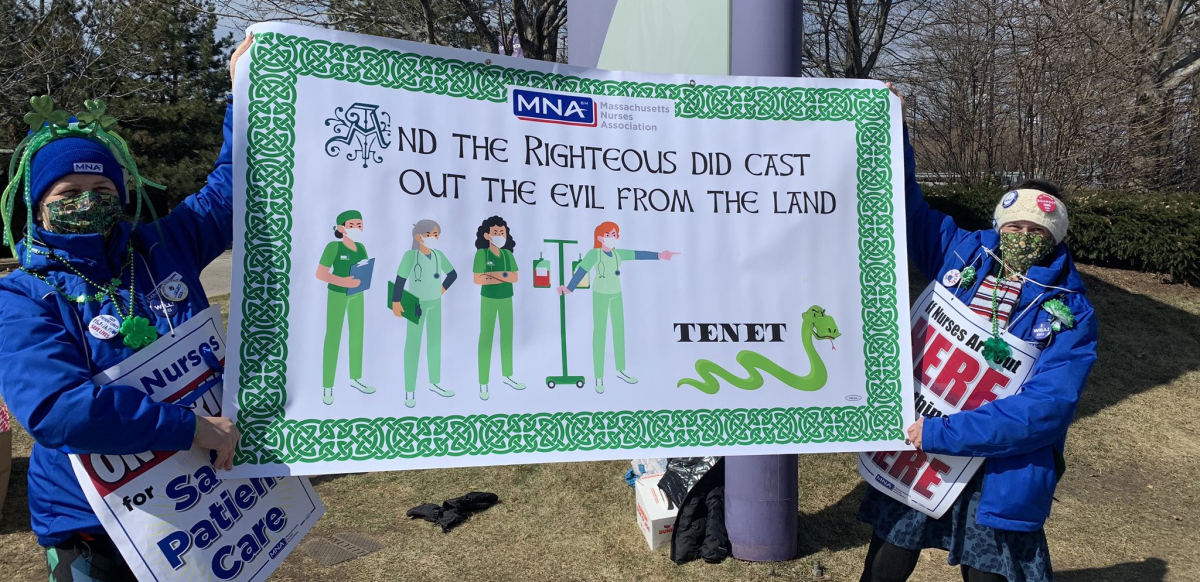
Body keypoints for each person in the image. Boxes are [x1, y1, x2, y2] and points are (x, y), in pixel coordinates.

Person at [0, 36, 254, 581]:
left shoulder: (162, 244)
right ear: (37, 206)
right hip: (98, 526)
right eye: (68, 192)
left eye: (101, 186)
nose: (88, 200)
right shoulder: (22, 295)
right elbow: (56, 410)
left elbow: (232, 190)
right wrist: (188, 428)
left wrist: (243, 92)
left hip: (205, 503)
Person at [856, 85, 1099, 582]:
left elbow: (1046, 410)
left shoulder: (1074, 313)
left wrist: (944, 433)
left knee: (987, 575)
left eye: (1038, 233)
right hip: (923, 449)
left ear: (1056, 239)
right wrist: (891, 126)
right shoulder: (962, 251)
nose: (1023, 238)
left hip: (995, 468)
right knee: (887, 559)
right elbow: (902, 206)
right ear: (998, 224)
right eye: (1015, 227)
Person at [558, 221, 678, 393]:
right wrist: (569, 288)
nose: (613, 237)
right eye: (609, 235)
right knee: (600, 333)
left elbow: (638, 254)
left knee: (618, 331)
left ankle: (621, 370)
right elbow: (581, 271)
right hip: (600, 296)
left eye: (615, 234)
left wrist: (660, 255)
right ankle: (599, 377)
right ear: (600, 237)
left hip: (616, 295)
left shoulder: (617, 254)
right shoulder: (594, 254)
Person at [392, 219, 458, 408]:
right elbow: (400, 280)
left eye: (436, 235)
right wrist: (396, 302)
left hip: (435, 304)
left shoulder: (439, 255)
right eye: (429, 235)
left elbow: (452, 274)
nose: (433, 238)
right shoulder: (410, 256)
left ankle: (435, 383)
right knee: (413, 345)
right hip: (415, 304)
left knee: (434, 343)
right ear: (418, 236)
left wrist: (441, 290)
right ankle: (410, 390)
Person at [316, 210, 377, 405]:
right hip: (337, 294)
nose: (357, 228)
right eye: (352, 225)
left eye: (359, 224)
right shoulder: (333, 247)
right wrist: (343, 282)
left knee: (357, 334)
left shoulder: (361, 247)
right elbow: (321, 273)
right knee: (334, 336)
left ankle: (356, 378)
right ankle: (327, 386)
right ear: (341, 228)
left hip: (357, 295)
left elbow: (364, 268)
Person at [473, 216, 525, 400]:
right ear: (487, 235)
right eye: (496, 232)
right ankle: (483, 383)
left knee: (507, 337)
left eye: (502, 232)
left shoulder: (507, 254)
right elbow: (478, 279)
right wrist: (503, 275)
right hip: (488, 299)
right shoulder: (482, 254)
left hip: (506, 298)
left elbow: (515, 277)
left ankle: (508, 375)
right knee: (486, 338)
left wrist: (492, 275)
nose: (500, 235)